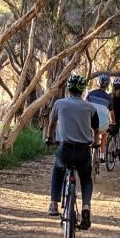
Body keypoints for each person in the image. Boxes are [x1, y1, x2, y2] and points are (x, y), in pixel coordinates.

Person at [45, 74, 99, 230]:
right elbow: (96, 130)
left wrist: (50, 138)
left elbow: (52, 124)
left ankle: (54, 204)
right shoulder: (90, 107)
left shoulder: (59, 103)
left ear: (68, 89)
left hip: (65, 149)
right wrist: (95, 143)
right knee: (86, 179)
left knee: (58, 170)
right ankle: (86, 207)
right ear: (82, 91)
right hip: (83, 152)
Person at [86, 74, 114, 161]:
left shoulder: (90, 94)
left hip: (89, 123)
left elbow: (84, 106)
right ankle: (102, 156)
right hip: (102, 125)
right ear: (108, 85)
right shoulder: (109, 98)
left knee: (87, 134)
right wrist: (113, 122)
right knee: (104, 134)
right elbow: (111, 112)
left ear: (98, 83)